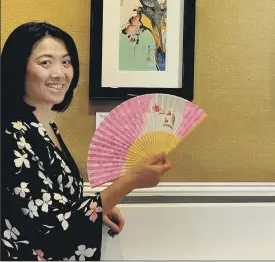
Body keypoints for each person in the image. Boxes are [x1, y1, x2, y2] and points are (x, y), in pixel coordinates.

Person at [0, 22, 173, 260]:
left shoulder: (44, 125)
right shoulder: (10, 132)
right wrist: (131, 180)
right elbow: (47, 225)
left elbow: (55, 200)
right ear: (18, 68)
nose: (60, 73)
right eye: (45, 62)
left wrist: (100, 206)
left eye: (66, 62)